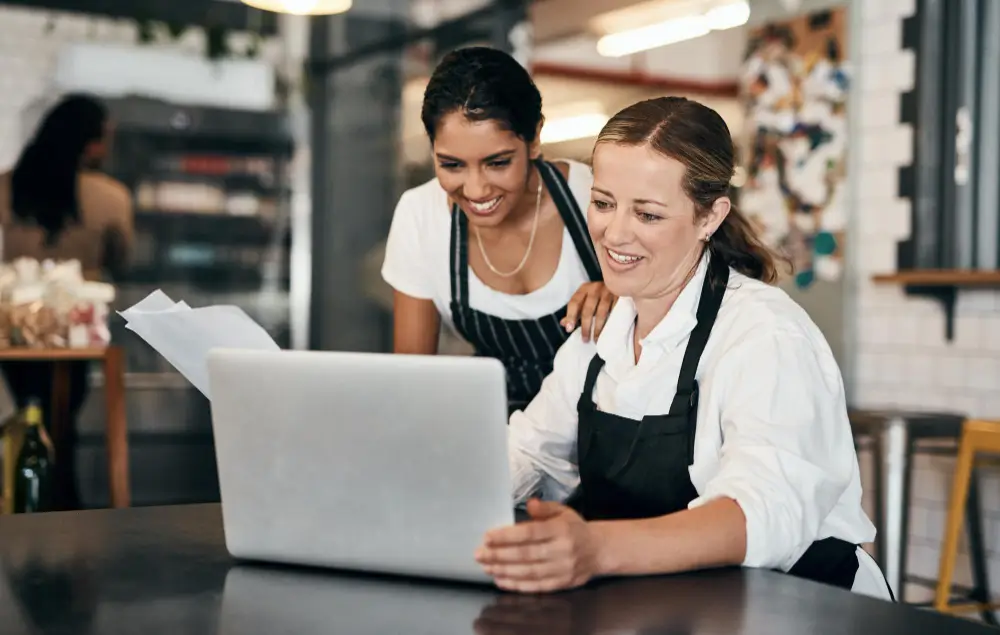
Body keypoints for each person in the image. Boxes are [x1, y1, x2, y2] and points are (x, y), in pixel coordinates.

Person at [474, 96, 892, 600]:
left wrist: (599, 546)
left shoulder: (765, 334)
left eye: (648, 214)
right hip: (676, 605)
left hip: (803, 607)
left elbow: (766, 512)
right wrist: (436, 493)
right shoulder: (604, 327)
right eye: (603, 203)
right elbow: (531, 452)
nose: (614, 232)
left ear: (710, 216)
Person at [381, 47, 613, 413]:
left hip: (604, 430)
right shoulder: (421, 216)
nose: (475, 190)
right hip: (495, 431)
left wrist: (625, 298)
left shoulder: (595, 198)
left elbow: (671, 328)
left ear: (534, 138)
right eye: (452, 165)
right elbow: (413, 382)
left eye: (498, 162)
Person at [0, 93, 133, 509]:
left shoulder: (7, 185)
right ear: (91, 142)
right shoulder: (110, 196)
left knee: (27, 410)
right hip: (77, 328)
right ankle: (58, 501)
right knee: (63, 419)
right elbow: (123, 258)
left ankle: (25, 498)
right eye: (105, 138)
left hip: (15, 326)